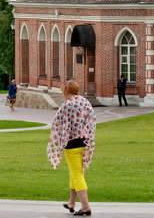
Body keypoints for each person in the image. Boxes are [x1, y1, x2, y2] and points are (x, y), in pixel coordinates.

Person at [47, 80, 96, 216]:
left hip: (72, 144)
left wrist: (61, 142)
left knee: (77, 175)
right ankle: (71, 203)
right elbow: (92, 120)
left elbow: (63, 126)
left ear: (66, 90)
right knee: (74, 173)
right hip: (84, 142)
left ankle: (86, 207)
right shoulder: (85, 102)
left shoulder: (67, 105)